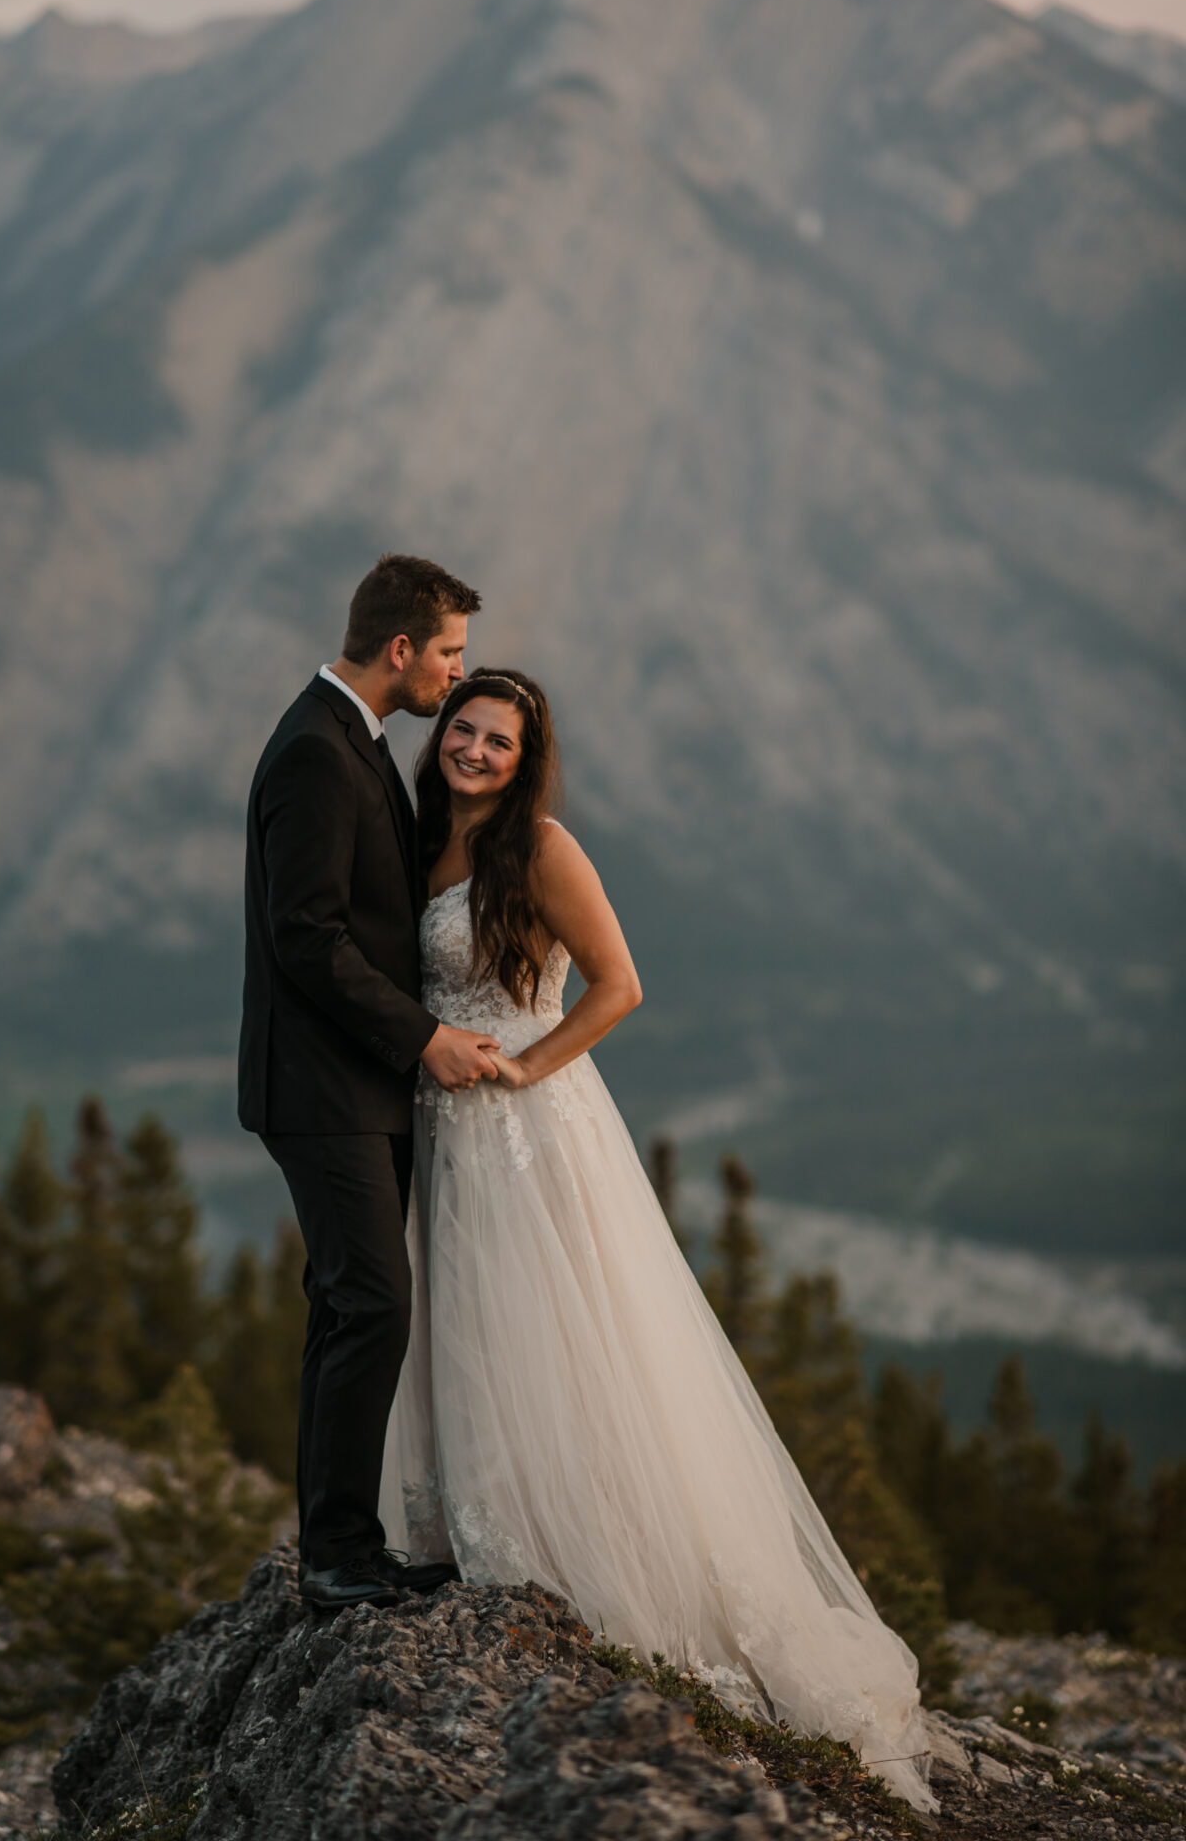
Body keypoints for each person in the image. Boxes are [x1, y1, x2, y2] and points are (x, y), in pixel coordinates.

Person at [379, 668, 936, 1812]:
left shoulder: (537, 846)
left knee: (567, 1336)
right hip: (445, 1130)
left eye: (498, 739)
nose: (474, 749)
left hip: (531, 1126)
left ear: (527, 755)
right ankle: (488, 1539)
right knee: (473, 1334)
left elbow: (621, 982)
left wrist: (528, 1064)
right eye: (463, 730)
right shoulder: (426, 834)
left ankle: (601, 1573)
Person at [238, 555, 503, 1611]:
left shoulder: (349, 735)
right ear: (401, 648)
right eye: (447, 653)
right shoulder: (314, 748)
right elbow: (305, 937)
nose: (452, 674)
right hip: (322, 1088)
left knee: (344, 1306)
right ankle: (340, 1559)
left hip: (357, 1084)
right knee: (372, 1305)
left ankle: (340, 1541)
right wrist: (424, 1035)